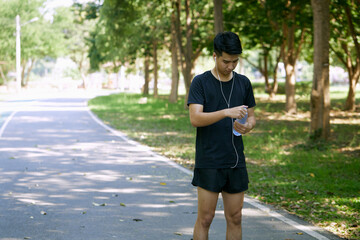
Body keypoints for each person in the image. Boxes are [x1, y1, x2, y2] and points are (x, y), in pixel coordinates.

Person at [187, 31, 256, 240]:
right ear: (215, 56)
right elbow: (195, 119)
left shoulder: (244, 83)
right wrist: (226, 112)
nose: (231, 66)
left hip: (235, 161)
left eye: (235, 61)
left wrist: (248, 126)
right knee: (205, 218)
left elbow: (252, 117)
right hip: (209, 161)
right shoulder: (200, 82)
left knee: (235, 217)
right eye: (226, 61)